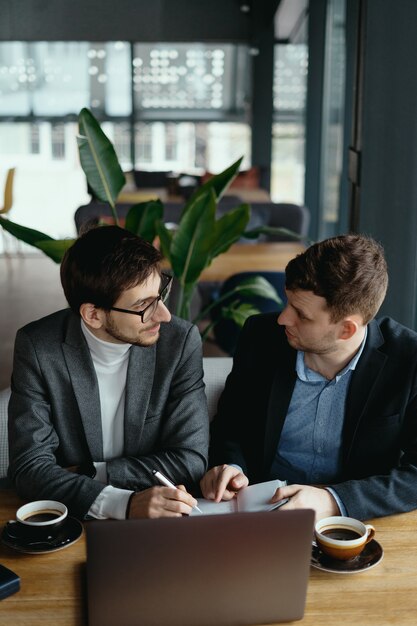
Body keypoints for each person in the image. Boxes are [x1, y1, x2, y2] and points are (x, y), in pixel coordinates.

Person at [200, 234, 417, 520]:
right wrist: (231, 468)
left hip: (353, 523)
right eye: (287, 302)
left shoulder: (408, 359)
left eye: (301, 314)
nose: (283, 319)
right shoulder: (261, 337)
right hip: (263, 512)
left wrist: (332, 500)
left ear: (347, 330)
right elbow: (231, 425)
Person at [8, 225, 209, 520]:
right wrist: (124, 504)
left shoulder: (179, 342)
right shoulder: (39, 347)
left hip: (162, 519)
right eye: (144, 305)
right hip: (71, 522)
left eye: (160, 294)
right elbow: (29, 468)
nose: (164, 315)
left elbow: (191, 459)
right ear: (93, 315)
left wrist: (94, 473)